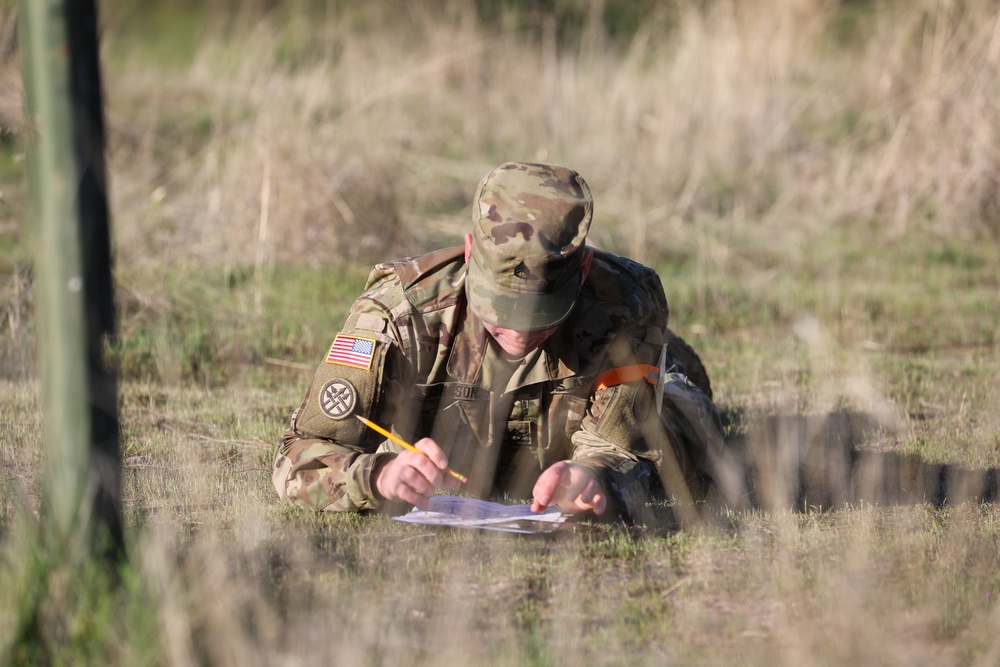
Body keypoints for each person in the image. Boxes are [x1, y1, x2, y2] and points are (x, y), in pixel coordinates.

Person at [272, 162, 734, 521]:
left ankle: (668, 367)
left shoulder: (626, 306)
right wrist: (376, 478)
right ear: (471, 252)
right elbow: (299, 454)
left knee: (692, 427)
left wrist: (593, 477)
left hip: (607, 416)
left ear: (585, 270)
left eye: (539, 315)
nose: (516, 330)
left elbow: (630, 452)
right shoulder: (397, 314)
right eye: (499, 308)